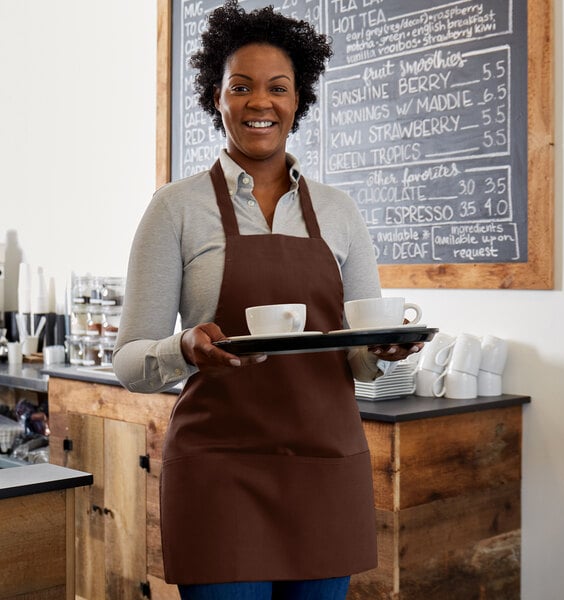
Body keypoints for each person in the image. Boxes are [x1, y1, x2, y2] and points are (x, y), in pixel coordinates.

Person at [113, 2, 422, 598]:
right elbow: (129, 363)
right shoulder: (174, 209)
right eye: (241, 87)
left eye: (278, 88)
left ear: (298, 100)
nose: (261, 103)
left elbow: (354, 357)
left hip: (325, 468)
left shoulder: (339, 212)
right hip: (219, 470)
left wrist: (383, 350)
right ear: (217, 97)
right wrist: (184, 348)